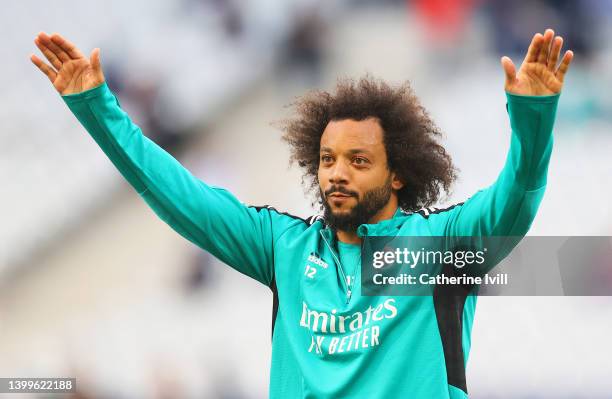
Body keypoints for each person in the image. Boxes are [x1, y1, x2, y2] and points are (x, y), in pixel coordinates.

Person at [31, 28, 573, 398]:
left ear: (399, 172)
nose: (336, 173)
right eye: (327, 159)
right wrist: (98, 109)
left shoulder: (440, 248)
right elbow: (178, 196)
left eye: (359, 161)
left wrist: (532, 117)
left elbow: (519, 194)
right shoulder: (283, 247)